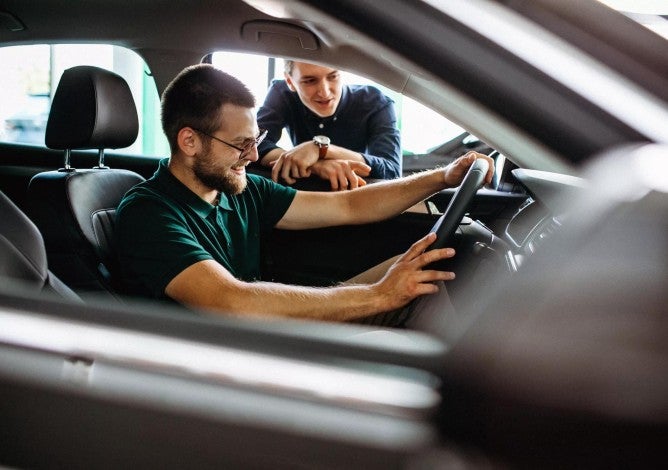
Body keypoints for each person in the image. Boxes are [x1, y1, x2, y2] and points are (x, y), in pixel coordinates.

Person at [116, 64, 494, 327]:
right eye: (240, 144)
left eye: (256, 141)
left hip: (270, 329)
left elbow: (350, 204)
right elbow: (230, 301)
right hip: (230, 356)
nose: (252, 156)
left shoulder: (240, 190)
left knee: (423, 268)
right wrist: (379, 295)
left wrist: (443, 177)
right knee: (414, 291)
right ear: (189, 141)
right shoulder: (148, 212)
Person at [256, 60, 402, 190]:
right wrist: (314, 166)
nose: (324, 93)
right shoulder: (281, 92)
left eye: (333, 77)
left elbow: (392, 172)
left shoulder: (376, 103)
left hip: (357, 196)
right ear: (290, 82)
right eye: (310, 81)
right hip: (304, 195)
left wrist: (321, 150)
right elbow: (253, 145)